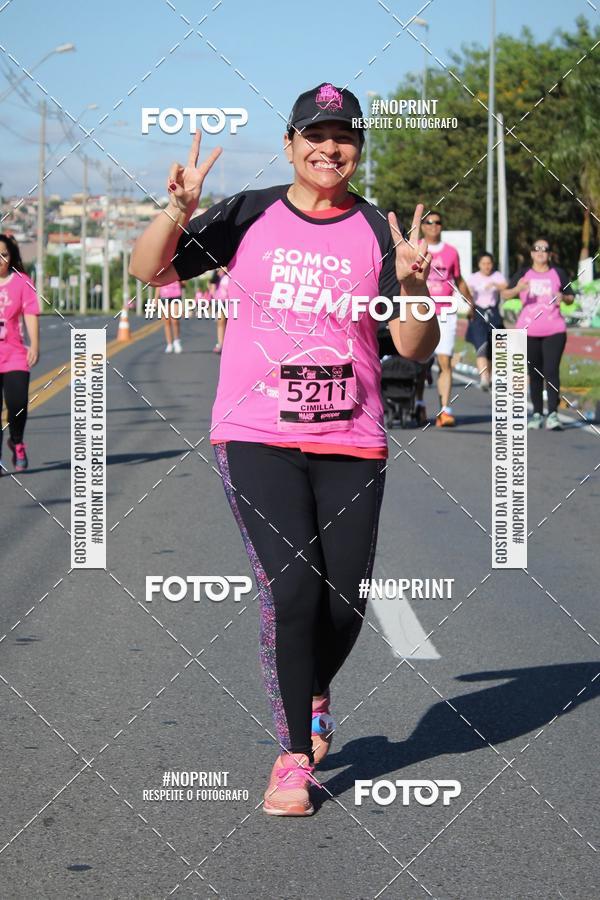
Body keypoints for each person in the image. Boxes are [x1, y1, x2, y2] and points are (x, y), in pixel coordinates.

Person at [130, 82, 439, 817]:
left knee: (346, 604)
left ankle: (313, 687)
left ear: (358, 149)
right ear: (291, 143)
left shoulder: (376, 230)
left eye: (344, 137)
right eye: (315, 134)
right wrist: (176, 209)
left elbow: (410, 347)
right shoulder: (250, 213)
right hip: (256, 434)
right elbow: (149, 273)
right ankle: (295, 757)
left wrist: (417, 289)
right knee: (294, 591)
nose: (329, 148)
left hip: (352, 437)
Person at [503, 239, 574, 430]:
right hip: (528, 330)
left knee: (551, 371)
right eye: (537, 249)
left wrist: (564, 297)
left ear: (549, 253)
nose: (541, 252)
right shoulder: (523, 273)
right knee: (534, 374)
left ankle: (552, 414)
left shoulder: (558, 273)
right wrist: (518, 289)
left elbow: (570, 297)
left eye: (545, 249)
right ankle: (536, 413)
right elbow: (505, 294)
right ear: (532, 253)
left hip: (554, 330)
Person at [419, 211, 473, 427]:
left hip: (445, 313)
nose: (433, 226)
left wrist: (470, 301)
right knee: (420, 363)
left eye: (437, 222)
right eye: (429, 222)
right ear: (423, 226)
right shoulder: (416, 249)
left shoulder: (451, 253)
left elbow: (458, 280)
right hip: (419, 312)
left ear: (441, 226)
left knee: (444, 361)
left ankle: (445, 410)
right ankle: (419, 404)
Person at [0, 234, 40, 474]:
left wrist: (34, 345)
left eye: (4, 254)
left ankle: (16, 441)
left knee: (17, 403)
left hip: (14, 353)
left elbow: (30, 314)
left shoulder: (22, 282)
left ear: (11, 256)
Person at [466, 252, 507, 391]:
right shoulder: (473, 278)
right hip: (478, 312)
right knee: (480, 345)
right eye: (483, 263)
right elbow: (466, 293)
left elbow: (506, 287)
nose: (486, 266)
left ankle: (492, 375)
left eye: (489, 263)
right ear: (479, 264)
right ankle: (484, 377)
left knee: (494, 346)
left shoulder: (497, 276)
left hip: (493, 312)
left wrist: (494, 285)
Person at [154, 277, 185, 353]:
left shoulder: (178, 268)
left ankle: (176, 341)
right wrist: (155, 300)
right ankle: (169, 344)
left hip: (175, 295)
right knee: (167, 321)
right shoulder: (161, 269)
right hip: (164, 295)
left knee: (175, 319)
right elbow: (158, 284)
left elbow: (184, 284)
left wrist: (180, 282)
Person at [210, 267, 230, 354]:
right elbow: (212, 283)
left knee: (230, 323)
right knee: (221, 322)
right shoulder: (218, 272)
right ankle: (220, 344)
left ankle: (229, 344)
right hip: (221, 301)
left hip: (233, 301)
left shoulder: (233, 270)